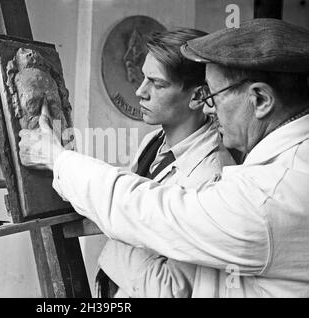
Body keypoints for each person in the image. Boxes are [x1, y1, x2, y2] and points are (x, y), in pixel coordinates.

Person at [19, 18, 309, 297]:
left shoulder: (268, 195)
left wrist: (59, 161)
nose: (210, 109)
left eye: (215, 96)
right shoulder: (284, 165)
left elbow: (151, 214)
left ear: (260, 100)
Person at [95, 28, 236, 298]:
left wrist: (112, 218)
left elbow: (171, 291)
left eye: (156, 84)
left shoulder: (211, 177)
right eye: (143, 78)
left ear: (198, 97)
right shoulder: (152, 141)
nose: (140, 91)